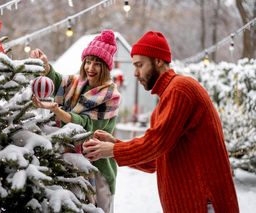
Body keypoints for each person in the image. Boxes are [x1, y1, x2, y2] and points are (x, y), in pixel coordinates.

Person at [83, 31, 239, 213]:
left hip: (204, 203)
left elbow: (156, 143)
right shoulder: (166, 100)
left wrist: (113, 150)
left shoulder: (180, 89)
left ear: (158, 61)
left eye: (140, 65)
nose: (135, 73)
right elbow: (156, 160)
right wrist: (114, 145)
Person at [30, 29, 121, 213]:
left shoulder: (110, 96)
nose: (90, 68)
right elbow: (57, 81)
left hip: (97, 167)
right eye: (88, 62)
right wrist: (47, 68)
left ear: (105, 67)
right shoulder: (77, 83)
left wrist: (57, 110)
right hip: (69, 160)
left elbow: (85, 126)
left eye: (97, 64)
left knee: (98, 208)